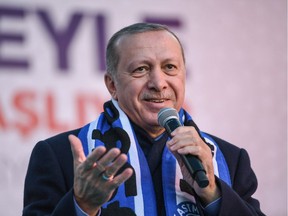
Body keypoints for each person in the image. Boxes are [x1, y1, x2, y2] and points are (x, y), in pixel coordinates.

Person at [23, 23, 265, 216]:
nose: (159, 83)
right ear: (112, 85)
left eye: (170, 67)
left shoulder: (229, 159)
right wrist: (82, 206)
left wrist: (213, 192)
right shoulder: (59, 156)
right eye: (141, 69)